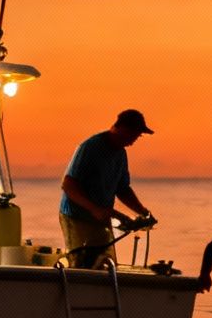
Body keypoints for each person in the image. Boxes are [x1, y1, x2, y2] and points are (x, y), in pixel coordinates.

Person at [59, 109, 156, 267]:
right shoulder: (90, 148)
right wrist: (94, 209)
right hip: (76, 217)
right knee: (82, 264)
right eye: (134, 134)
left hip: (100, 219)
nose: (135, 140)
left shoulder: (121, 154)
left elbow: (123, 189)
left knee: (105, 261)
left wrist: (143, 212)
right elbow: (68, 185)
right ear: (122, 128)